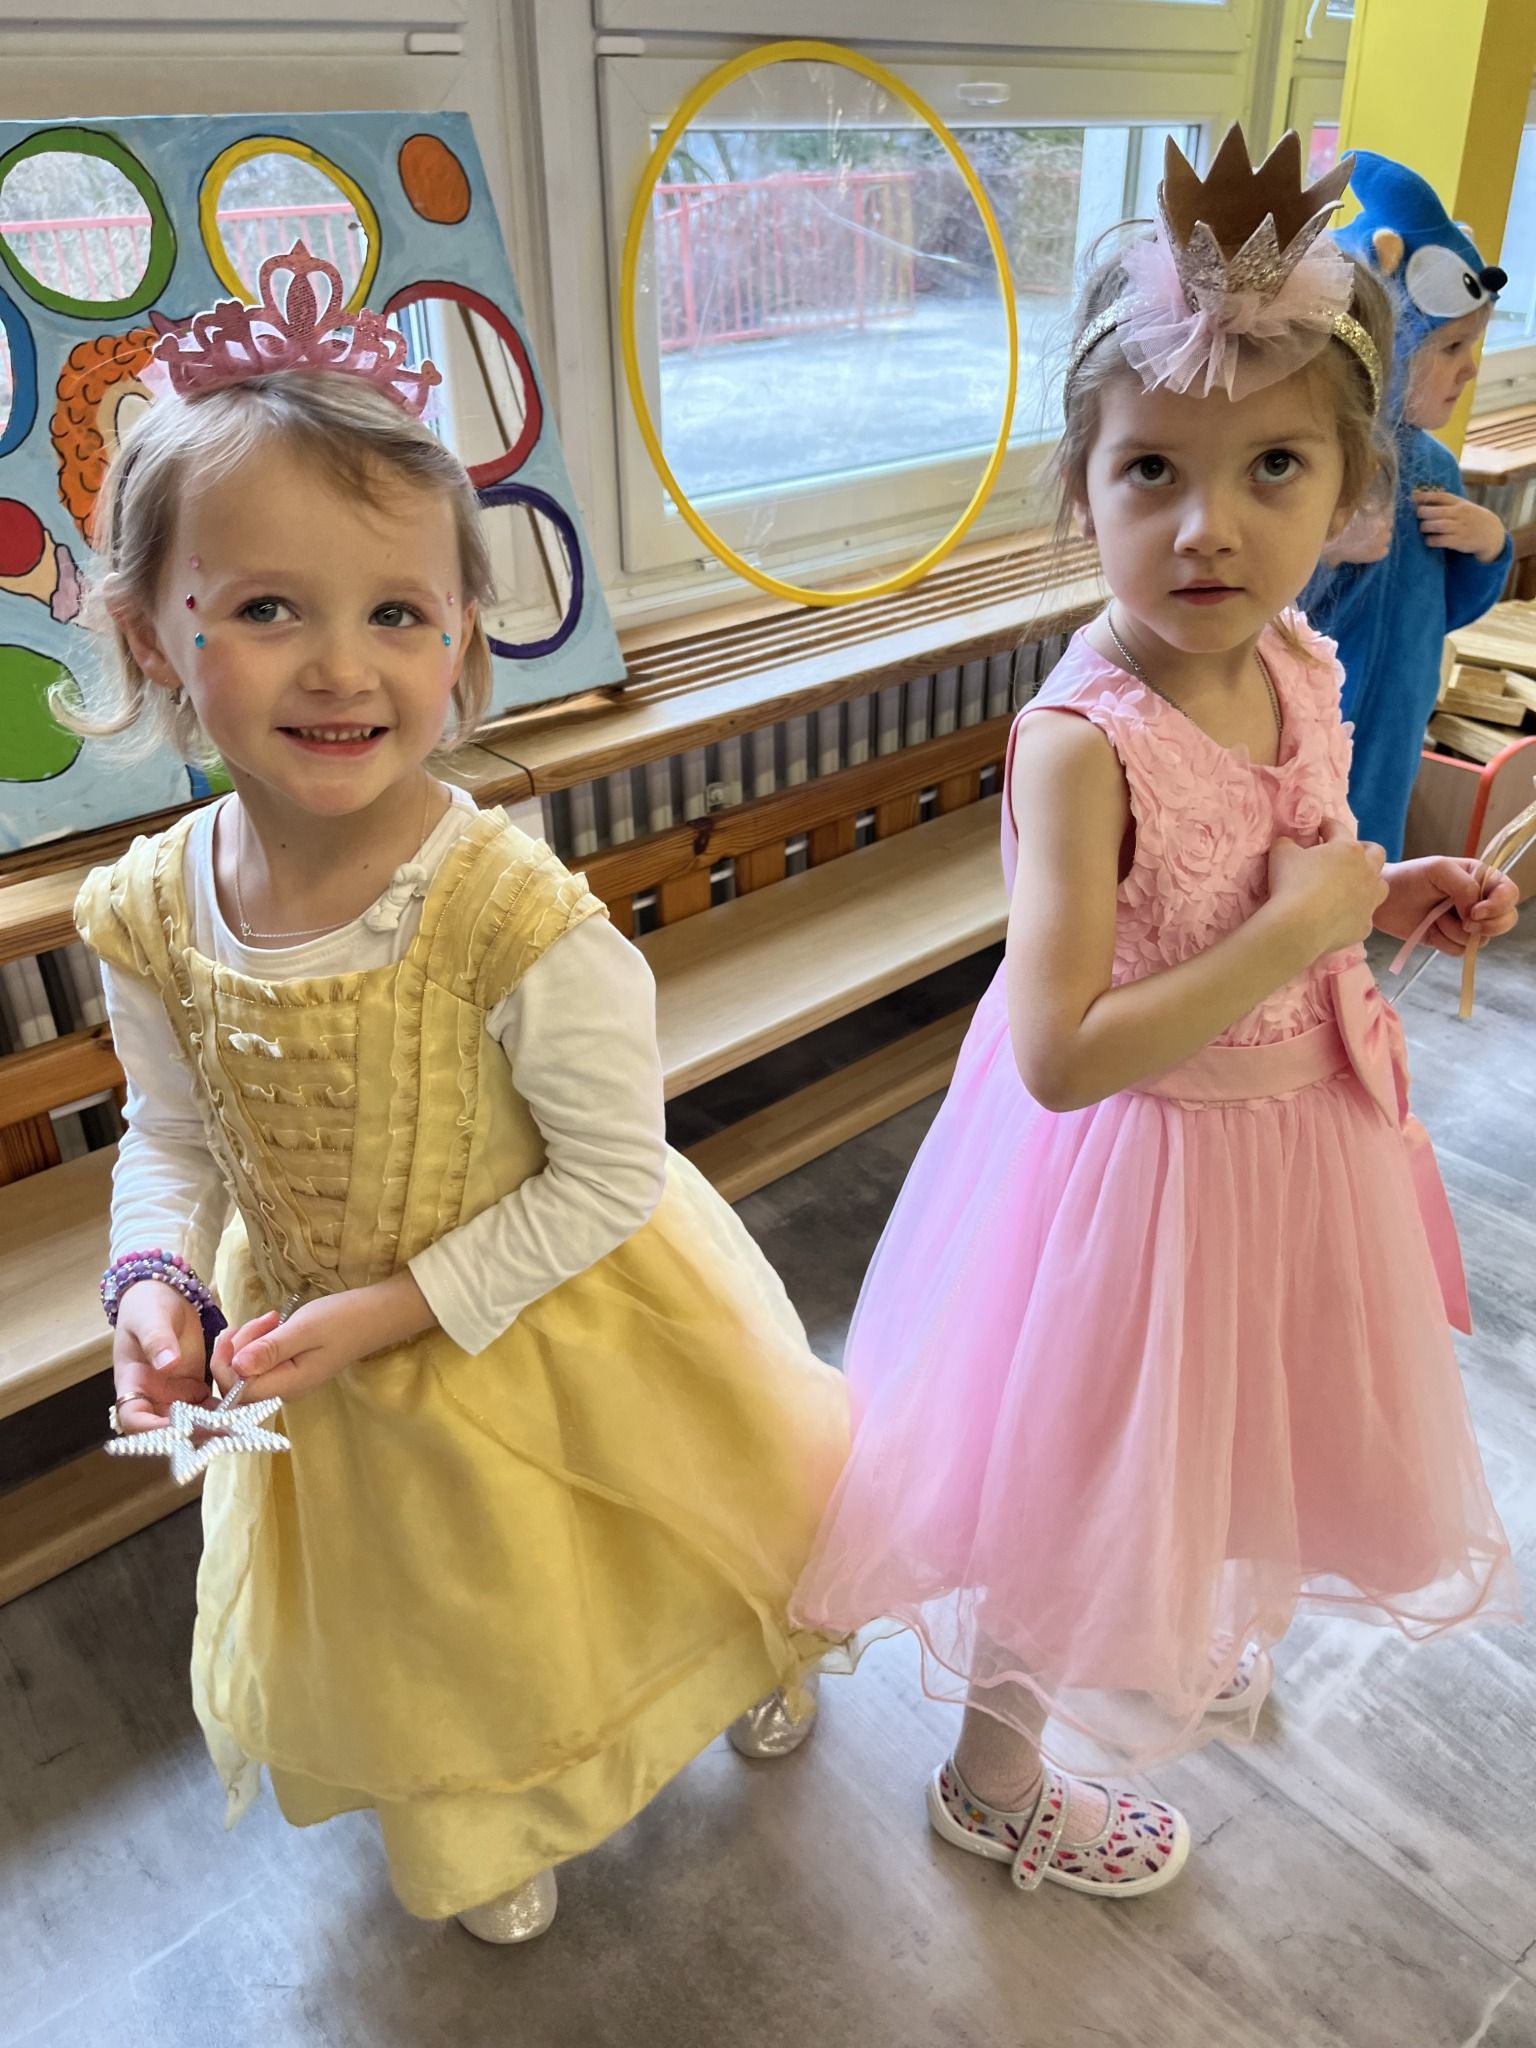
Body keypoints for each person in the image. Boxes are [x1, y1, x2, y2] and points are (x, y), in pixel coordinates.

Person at [65, 244, 849, 1944]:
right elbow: (172, 1133)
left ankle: (756, 1647)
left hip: (554, 1316)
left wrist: (401, 1307)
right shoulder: (145, 909)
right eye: (266, 607)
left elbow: (609, 1175)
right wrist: (152, 1277)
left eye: (396, 613)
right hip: (330, 1374)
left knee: (644, 1547)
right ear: (150, 635)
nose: (340, 667)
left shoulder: (510, 913)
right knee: (447, 1618)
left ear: (462, 640)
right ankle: (489, 1807)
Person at [792, 130, 1521, 1901]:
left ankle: (1182, 1610)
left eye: (1274, 466)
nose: (1211, 524)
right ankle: (991, 1779)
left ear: (1352, 490)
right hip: (1128, 1174)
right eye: (1151, 470)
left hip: (1288, 1143)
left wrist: (1385, 895)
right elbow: (1059, 1055)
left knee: (1230, 1420)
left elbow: (1295, 857)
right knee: (1070, 1474)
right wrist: (1294, 934)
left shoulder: (1297, 658)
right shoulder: (1081, 743)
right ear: (1084, 488)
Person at [1303, 150, 1514, 857]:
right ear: (1385, 350)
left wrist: (1488, 549)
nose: (1470, 369)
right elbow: (1258, 614)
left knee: (1373, 862)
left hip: (1397, 722)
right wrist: (1326, 552)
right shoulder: (1318, 466)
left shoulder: (1434, 467)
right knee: (1304, 863)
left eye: (1472, 345)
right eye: (1450, 347)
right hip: (1309, 726)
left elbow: (1444, 610)